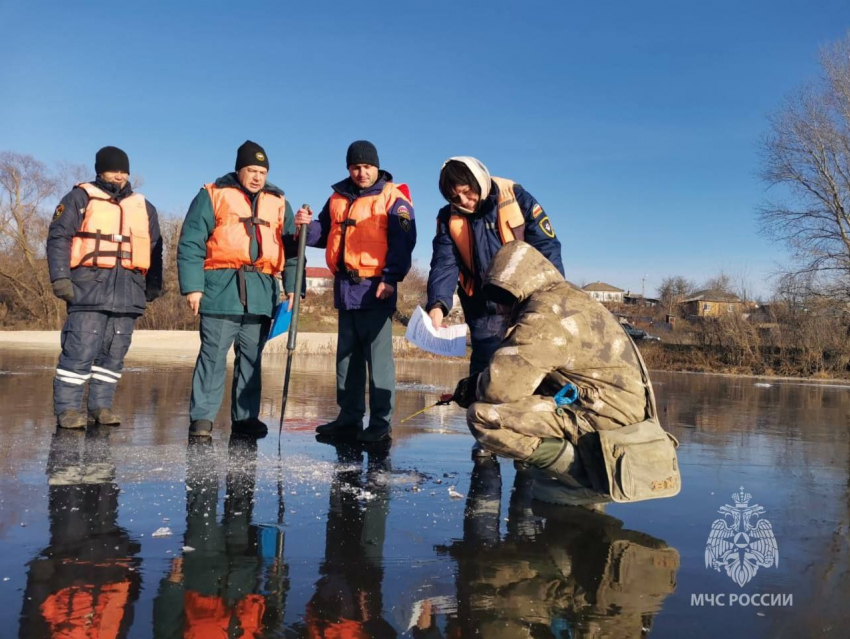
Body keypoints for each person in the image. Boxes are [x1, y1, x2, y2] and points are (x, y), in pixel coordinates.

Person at [454, 241, 681, 506]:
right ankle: (579, 470)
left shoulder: (545, 312)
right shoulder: (569, 297)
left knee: (484, 417)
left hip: (602, 418)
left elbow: (500, 389)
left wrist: (473, 387)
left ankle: (583, 477)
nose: (500, 309)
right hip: (620, 412)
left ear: (518, 287)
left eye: (503, 299)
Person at [295, 141, 416, 443]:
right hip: (345, 288)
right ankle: (349, 419)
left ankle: (380, 423)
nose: (362, 173)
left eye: (367, 167)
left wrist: (391, 278)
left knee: (378, 360)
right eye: (355, 167)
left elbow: (404, 242)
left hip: (377, 288)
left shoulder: (394, 197)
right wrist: (303, 227)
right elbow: (322, 231)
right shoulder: (337, 198)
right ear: (348, 168)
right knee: (346, 359)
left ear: (377, 167)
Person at [178, 140, 300, 440]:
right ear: (239, 169)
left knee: (252, 359)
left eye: (262, 171)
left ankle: (245, 419)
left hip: (262, 292)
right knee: (212, 356)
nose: (257, 177)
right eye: (251, 170)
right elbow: (191, 241)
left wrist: (294, 287)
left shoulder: (279, 201)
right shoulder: (213, 194)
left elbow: (293, 249)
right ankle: (202, 419)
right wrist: (193, 287)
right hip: (221, 289)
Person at [47, 146, 163, 429]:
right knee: (80, 349)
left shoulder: (144, 207)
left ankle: (101, 406)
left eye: (123, 171)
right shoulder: (79, 198)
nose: (119, 175)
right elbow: (59, 237)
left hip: (129, 292)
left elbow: (155, 249)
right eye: (114, 170)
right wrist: (60, 277)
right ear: (99, 170)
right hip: (88, 288)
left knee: (114, 352)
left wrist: (154, 284)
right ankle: (68, 410)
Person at [426, 157, 564, 375]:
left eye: (467, 191)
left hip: (525, 301)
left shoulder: (518, 198)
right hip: (482, 307)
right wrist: (437, 306)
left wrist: (554, 298)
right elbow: (444, 263)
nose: (464, 200)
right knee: (485, 373)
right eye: (455, 197)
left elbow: (547, 247)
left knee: (532, 370)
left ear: (478, 179)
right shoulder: (446, 217)